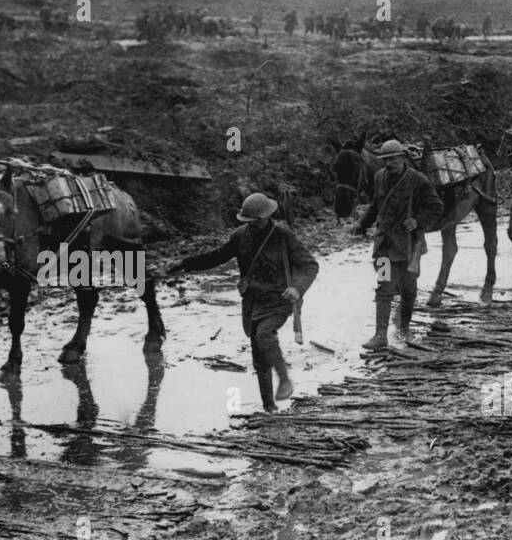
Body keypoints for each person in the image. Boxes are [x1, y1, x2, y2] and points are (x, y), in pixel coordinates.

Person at [172, 193, 318, 413]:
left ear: (266, 217)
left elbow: (309, 265)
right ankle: (269, 407)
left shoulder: (283, 236)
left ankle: (284, 380)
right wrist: (185, 263)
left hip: (279, 299)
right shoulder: (240, 236)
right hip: (252, 301)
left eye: (255, 221)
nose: (251, 225)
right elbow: (217, 256)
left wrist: (297, 288)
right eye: (247, 221)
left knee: (264, 335)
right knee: (258, 355)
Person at [349, 139, 444, 348]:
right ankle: (380, 336)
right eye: (385, 160)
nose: (389, 163)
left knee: (409, 290)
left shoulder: (417, 180)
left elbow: (436, 206)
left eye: (393, 159)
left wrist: (418, 221)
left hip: (409, 247)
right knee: (384, 288)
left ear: (402, 158)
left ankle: (403, 330)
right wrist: (361, 225)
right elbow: (375, 207)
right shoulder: (379, 177)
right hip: (384, 246)